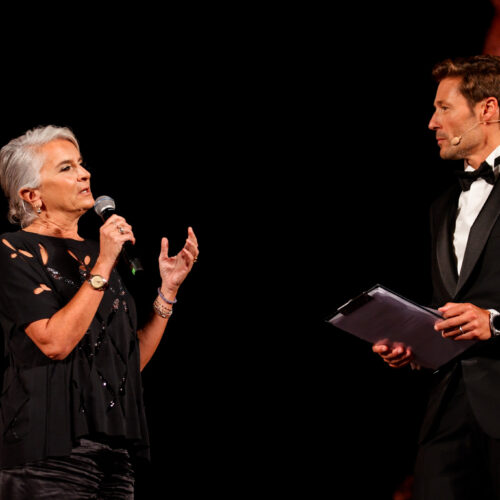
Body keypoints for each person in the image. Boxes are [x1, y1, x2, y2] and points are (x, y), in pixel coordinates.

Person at [0, 125, 199, 499]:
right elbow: (55, 342)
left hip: (114, 457)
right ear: (32, 195)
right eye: (66, 168)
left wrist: (167, 292)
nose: (85, 174)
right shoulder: (14, 250)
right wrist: (104, 262)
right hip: (47, 454)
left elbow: (126, 363)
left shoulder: (99, 253)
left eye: (81, 163)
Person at [372, 55, 500, 499]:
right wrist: (415, 343)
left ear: (488, 109)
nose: (432, 122)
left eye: (444, 108)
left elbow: (486, 313)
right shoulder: (442, 205)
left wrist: (494, 322)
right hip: (447, 408)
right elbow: (448, 303)